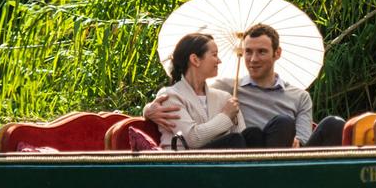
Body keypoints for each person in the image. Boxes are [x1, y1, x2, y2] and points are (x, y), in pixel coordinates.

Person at [145, 23, 345, 148]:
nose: (252, 59)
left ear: (277, 54)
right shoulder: (227, 89)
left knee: (331, 123)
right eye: (248, 52)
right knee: (249, 136)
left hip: (289, 150)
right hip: (246, 151)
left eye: (261, 52)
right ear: (195, 60)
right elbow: (181, 99)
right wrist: (148, 110)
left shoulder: (299, 96)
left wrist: (297, 143)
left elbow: (302, 137)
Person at [157, 33, 247, 149]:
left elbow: (244, 138)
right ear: (195, 60)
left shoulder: (225, 97)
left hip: (217, 159)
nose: (219, 61)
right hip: (186, 162)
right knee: (234, 139)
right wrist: (226, 116)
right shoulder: (170, 96)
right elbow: (193, 139)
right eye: (214, 55)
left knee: (252, 134)